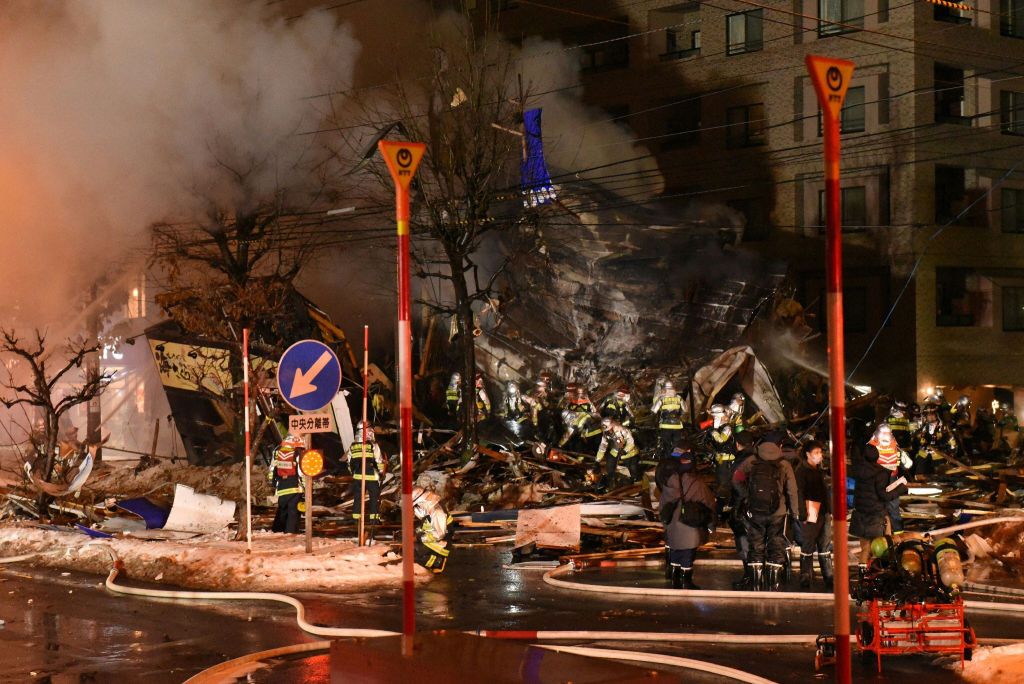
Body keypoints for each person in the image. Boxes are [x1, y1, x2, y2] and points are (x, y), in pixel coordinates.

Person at [733, 441, 799, 591]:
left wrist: (747, 495)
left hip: (755, 512)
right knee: (776, 546)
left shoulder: (751, 461)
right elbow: (792, 491)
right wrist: (794, 512)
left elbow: (736, 479)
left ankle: (756, 585)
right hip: (778, 513)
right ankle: (773, 586)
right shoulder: (784, 464)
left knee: (755, 546)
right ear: (779, 449)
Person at [656, 440, 716, 589]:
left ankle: (675, 579)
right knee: (688, 554)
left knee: (676, 550)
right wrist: (711, 525)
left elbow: (662, 504)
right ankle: (686, 581)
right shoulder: (697, 483)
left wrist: (666, 524)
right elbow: (709, 504)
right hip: (690, 523)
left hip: (673, 524)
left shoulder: (671, 481)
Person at [851, 444, 908, 574]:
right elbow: (884, 495)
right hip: (876, 515)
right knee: (882, 547)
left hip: (860, 514)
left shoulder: (858, 470)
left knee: (865, 547)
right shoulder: (880, 473)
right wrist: (901, 489)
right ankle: (878, 574)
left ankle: (862, 574)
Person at [795, 440, 833, 590]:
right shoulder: (802, 471)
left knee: (824, 545)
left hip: (823, 510)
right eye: (816, 453)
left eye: (820, 452)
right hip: (811, 509)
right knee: (808, 544)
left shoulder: (819, 470)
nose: (820, 456)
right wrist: (802, 513)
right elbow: (799, 493)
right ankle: (805, 576)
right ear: (808, 454)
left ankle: (828, 576)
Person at [864, 424, 911, 532]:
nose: (886, 435)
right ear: (878, 434)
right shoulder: (871, 444)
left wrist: (904, 458)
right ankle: (877, 532)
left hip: (892, 479)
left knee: (893, 506)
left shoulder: (894, 443)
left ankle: (898, 532)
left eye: (888, 433)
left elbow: (904, 462)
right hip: (877, 479)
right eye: (884, 433)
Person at [729, 431, 757, 589]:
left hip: (743, 507)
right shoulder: (759, 459)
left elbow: (735, 483)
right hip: (760, 507)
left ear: (738, 444)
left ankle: (749, 576)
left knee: (744, 542)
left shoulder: (740, 461)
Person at [346, 421, 387, 527]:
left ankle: (356, 519)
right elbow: (379, 460)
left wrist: (353, 473)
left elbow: (349, 462)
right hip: (371, 476)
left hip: (358, 477)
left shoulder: (353, 446)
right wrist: (382, 473)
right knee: (374, 497)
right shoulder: (373, 445)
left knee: (358, 497)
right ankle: (374, 520)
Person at [269, 434, 305, 534]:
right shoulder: (297, 452)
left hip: (281, 485)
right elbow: (301, 472)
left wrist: (273, 483)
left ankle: (278, 530)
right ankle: (290, 532)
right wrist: (305, 486)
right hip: (295, 486)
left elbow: (272, 469)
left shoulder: (277, 451)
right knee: (293, 511)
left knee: (282, 508)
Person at [412, 487, 452, 573]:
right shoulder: (428, 510)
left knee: (411, 556)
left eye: (416, 505)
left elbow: (439, 535)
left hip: (440, 545)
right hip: (430, 540)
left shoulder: (437, 512)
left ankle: (437, 561)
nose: (416, 508)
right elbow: (425, 526)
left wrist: (418, 538)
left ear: (422, 502)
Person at [706, 404, 737, 502]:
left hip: (726, 461)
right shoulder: (721, 426)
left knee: (724, 482)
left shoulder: (727, 428)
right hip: (721, 460)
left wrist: (713, 432)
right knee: (719, 480)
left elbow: (721, 440)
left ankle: (724, 502)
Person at [596, 417, 639, 488]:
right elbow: (603, 446)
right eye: (607, 430)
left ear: (612, 425)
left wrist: (625, 451)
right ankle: (611, 483)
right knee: (609, 466)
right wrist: (597, 460)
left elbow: (631, 442)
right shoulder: (606, 433)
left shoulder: (623, 430)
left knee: (633, 468)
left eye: (609, 429)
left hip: (630, 452)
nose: (609, 432)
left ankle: (636, 484)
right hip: (616, 451)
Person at [651, 380, 685, 460]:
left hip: (665, 425)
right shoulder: (679, 398)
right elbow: (685, 410)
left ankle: (668, 460)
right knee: (676, 445)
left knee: (666, 445)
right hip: (677, 425)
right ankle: (676, 460)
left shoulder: (662, 398)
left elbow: (654, 410)